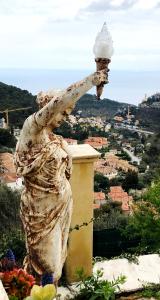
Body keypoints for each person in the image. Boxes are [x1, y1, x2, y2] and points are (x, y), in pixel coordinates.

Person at [15, 70, 108, 283]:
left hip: (61, 208)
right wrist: (90, 81)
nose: (64, 118)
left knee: (55, 265)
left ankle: (43, 294)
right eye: (63, 113)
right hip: (40, 211)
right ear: (49, 109)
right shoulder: (32, 128)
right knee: (47, 267)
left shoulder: (55, 139)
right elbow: (59, 102)